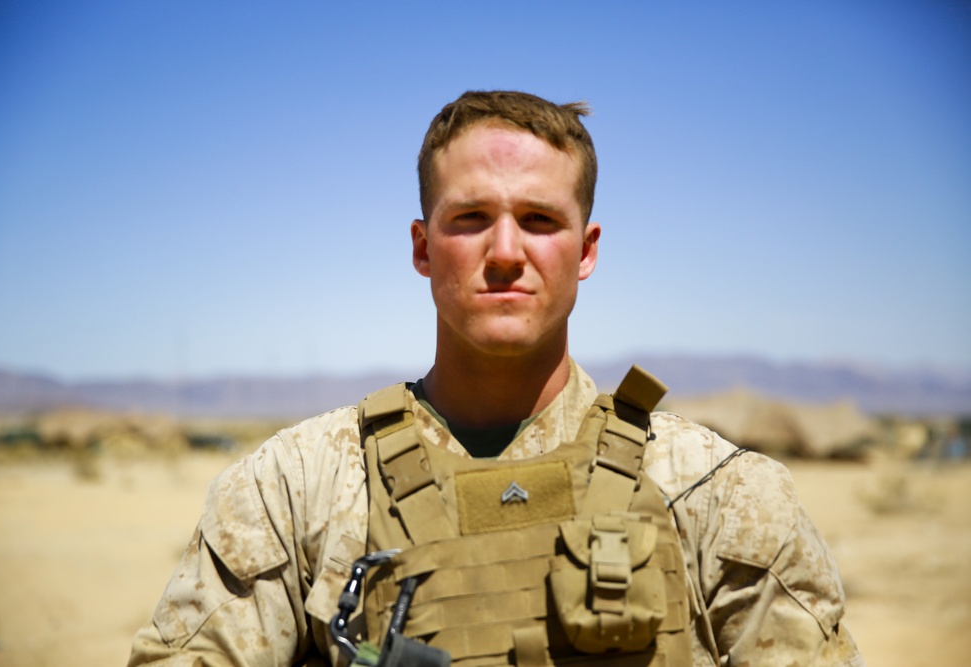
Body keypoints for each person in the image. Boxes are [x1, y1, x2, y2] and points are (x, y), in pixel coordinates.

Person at [129, 91, 864, 666]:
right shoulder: (294, 489)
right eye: (471, 217)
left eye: (540, 219)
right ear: (422, 246)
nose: (506, 250)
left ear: (586, 250)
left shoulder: (720, 493)